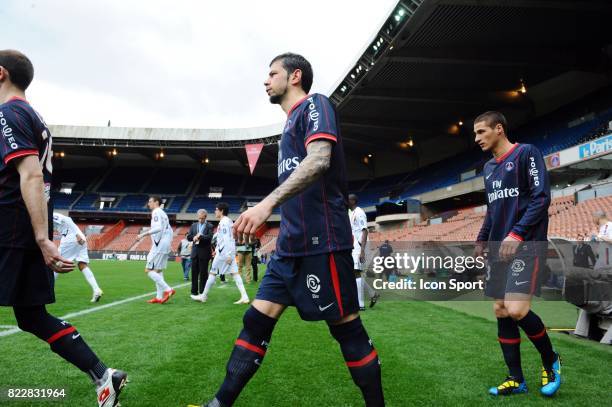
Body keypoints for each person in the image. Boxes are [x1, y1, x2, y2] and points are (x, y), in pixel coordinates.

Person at [191, 53, 383, 407]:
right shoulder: (289, 127)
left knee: (347, 330)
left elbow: (320, 159)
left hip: (322, 245)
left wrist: (266, 205)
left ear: (295, 76)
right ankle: (219, 403)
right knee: (255, 322)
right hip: (289, 250)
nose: (265, 80)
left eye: (272, 73)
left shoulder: (316, 105)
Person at [0, 49, 127, 407]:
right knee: (31, 316)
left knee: (31, 315)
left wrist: (43, 238)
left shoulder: (9, 113)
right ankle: (104, 376)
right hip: (22, 230)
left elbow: (30, 173)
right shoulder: (32, 116)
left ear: (1, 74)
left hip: (11, 229)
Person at [474, 111, 561, 397]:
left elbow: (541, 198)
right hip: (499, 248)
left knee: (516, 309)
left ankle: (551, 360)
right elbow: (492, 209)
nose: (477, 139)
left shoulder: (527, 154)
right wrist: (482, 239)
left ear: (499, 129)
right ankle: (516, 379)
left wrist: (517, 233)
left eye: (481, 132)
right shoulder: (488, 168)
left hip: (525, 244)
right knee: (500, 309)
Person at [193, 202, 249, 304]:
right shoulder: (227, 221)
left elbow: (227, 238)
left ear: (221, 211)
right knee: (235, 274)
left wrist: (227, 254)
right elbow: (226, 238)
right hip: (226, 251)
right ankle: (244, 296)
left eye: (216, 209)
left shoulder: (224, 222)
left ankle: (204, 296)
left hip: (224, 253)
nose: (215, 211)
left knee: (212, 273)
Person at [52, 212, 103, 302]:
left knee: (56, 262)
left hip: (72, 238)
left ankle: (48, 291)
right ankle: (96, 290)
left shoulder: (49, 214)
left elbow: (68, 219)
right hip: (80, 238)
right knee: (82, 265)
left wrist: (76, 235)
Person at [137, 196, 175, 304]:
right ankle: (159, 297)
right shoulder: (163, 213)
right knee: (158, 271)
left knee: (148, 270)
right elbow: (170, 230)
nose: (148, 204)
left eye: (150, 201)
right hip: (164, 244)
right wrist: (168, 242)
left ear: (156, 202)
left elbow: (158, 228)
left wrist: (142, 234)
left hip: (160, 245)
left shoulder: (156, 212)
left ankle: (168, 290)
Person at [348, 194, 379, 310]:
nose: (346, 201)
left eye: (348, 199)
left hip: (361, 246)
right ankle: (373, 294)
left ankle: (360, 304)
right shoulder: (351, 213)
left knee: (356, 272)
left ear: (353, 201)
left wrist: (362, 251)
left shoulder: (360, 212)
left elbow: (365, 231)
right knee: (354, 273)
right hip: (355, 245)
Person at [188, 209, 214, 299]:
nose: (200, 220)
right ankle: (193, 292)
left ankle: (202, 292)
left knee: (203, 274)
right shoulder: (193, 225)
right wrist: (194, 237)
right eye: (199, 218)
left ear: (205, 217)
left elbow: (209, 238)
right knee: (194, 273)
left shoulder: (210, 226)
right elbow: (189, 236)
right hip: (195, 252)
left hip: (204, 253)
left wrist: (200, 236)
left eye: (202, 218)